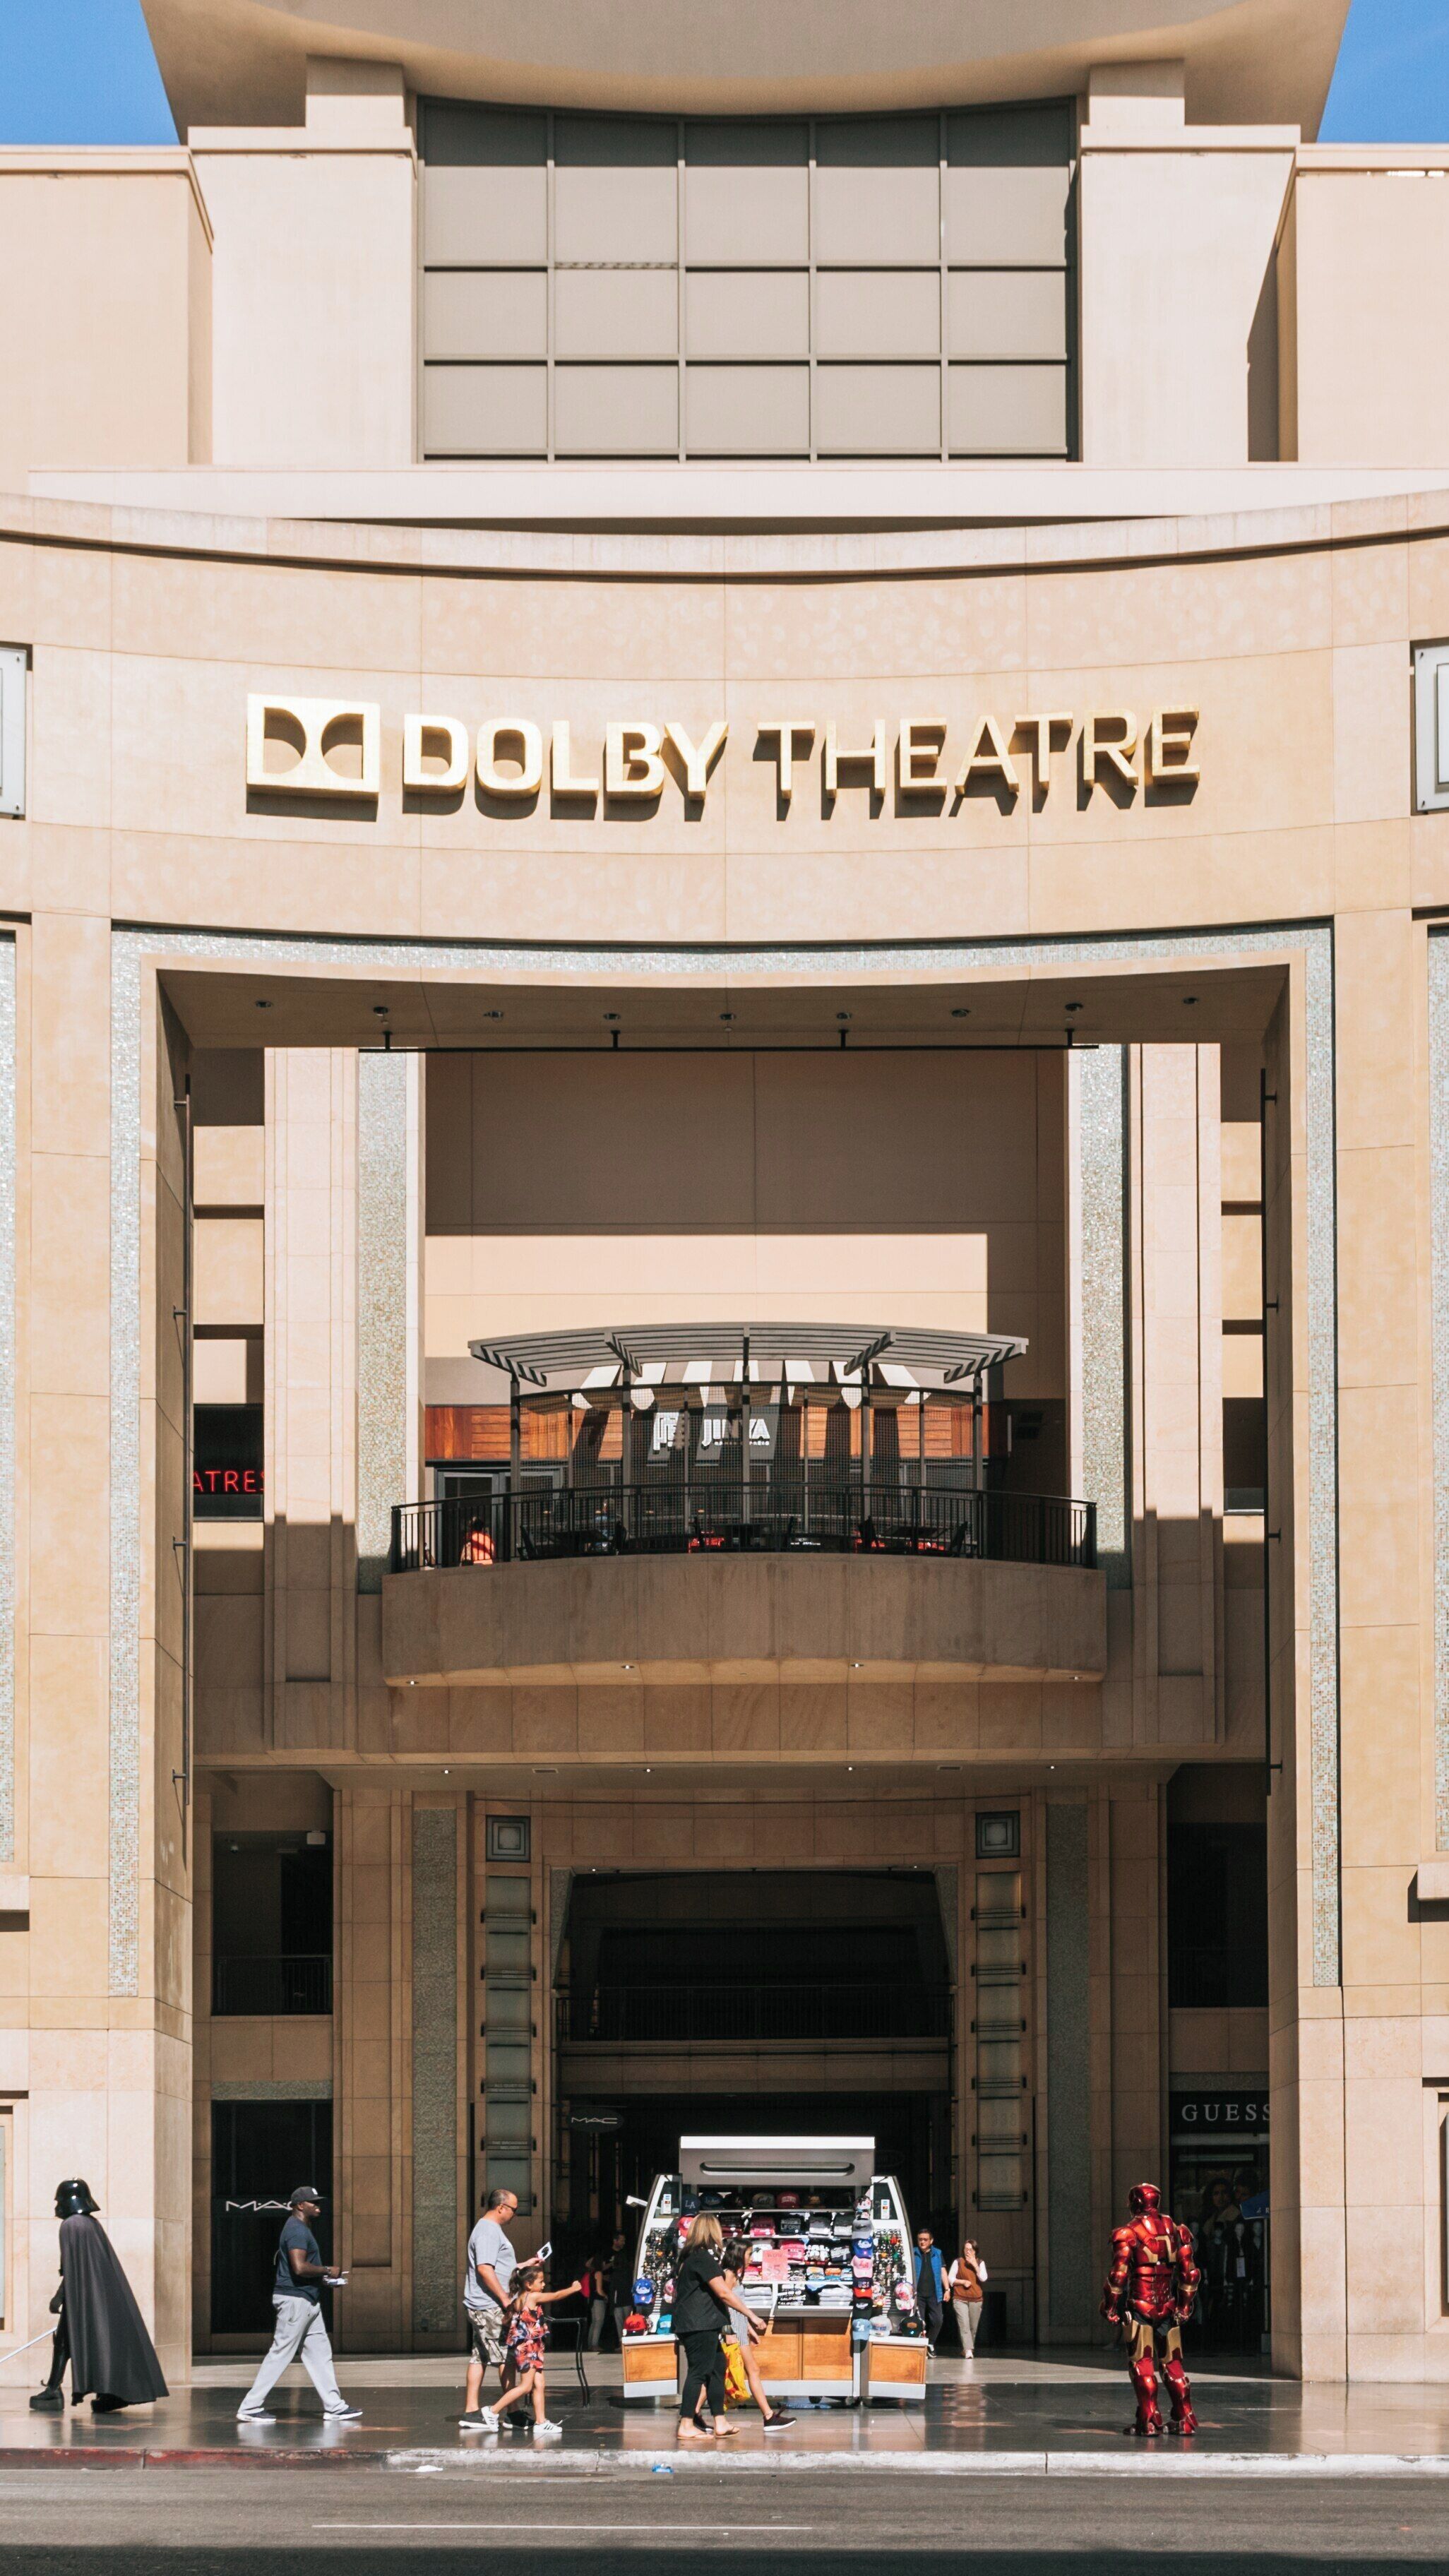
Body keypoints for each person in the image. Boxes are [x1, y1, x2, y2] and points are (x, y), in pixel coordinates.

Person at [30, 2178, 168, 2415]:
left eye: (59, 2201)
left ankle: (56, 2390)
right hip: (91, 2297)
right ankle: (74, 2389)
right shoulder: (89, 2225)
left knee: (65, 2339)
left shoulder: (72, 2226)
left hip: (83, 2296)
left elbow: (74, 2269)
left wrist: (59, 2297)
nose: (57, 2206)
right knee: (67, 2339)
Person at [236, 2185, 358, 2423]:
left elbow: (301, 2271)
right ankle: (250, 2407)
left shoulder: (300, 2229)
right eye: (314, 2203)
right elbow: (300, 2267)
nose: (318, 2206)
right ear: (300, 2206)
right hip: (295, 2302)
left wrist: (324, 2279)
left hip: (308, 2300)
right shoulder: (296, 2230)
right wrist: (326, 2269)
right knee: (281, 2352)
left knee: (320, 2355)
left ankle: (335, 2407)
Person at [1100, 2181, 1200, 2438]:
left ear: (1134, 2203)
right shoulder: (1177, 2231)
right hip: (1168, 2306)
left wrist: (1109, 2306)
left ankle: (1149, 2420)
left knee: (1142, 2365)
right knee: (1173, 2365)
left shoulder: (1128, 2233)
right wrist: (1185, 2306)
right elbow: (1190, 2273)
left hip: (1141, 2307)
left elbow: (1118, 2276)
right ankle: (1184, 2418)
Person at [672, 2213, 766, 2444]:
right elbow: (724, 2292)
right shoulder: (702, 2258)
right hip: (699, 2324)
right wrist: (751, 2316)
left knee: (717, 2368)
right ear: (711, 2232)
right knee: (698, 2372)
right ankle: (686, 2424)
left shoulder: (693, 2257)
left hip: (703, 2322)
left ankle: (720, 2422)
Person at [477, 2258, 582, 2439]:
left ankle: (541, 2422)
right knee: (526, 2386)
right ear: (528, 2284)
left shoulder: (518, 2299)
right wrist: (573, 2289)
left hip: (531, 2347)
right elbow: (556, 2296)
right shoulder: (531, 2297)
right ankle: (492, 2411)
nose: (543, 2284)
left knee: (539, 2384)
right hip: (529, 2348)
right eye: (540, 2282)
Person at [708, 2234, 793, 2430]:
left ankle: (693, 2413)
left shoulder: (735, 2274)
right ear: (739, 2254)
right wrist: (729, 2331)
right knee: (737, 2371)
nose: (751, 2257)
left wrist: (747, 2329)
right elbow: (723, 2305)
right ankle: (768, 2416)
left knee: (723, 2372)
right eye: (748, 2254)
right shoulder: (728, 2275)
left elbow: (736, 2306)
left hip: (737, 2325)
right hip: (731, 2327)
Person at [460, 2183, 518, 2426]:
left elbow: (495, 2266)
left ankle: (472, 2410)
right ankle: (509, 2411)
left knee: (480, 2356)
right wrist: (505, 2300)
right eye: (514, 2209)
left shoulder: (489, 2230)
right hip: (489, 2305)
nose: (515, 2213)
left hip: (484, 2304)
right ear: (501, 2207)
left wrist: (522, 2266)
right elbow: (485, 2268)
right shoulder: (488, 2231)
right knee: (506, 2356)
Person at [945, 2237, 988, 2358]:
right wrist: (963, 2282)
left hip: (976, 2299)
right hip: (960, 2299)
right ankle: (969, 2350)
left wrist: (975, 2265)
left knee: (973, 2327)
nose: (967, 2252)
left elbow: (983, 2278)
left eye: (970, 2249)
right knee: (964, 2325)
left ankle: (967, 2348)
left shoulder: (980, 2263)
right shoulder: (958, 2262)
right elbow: (951, 2278)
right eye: (966, 2249)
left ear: (975, 2251)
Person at [912, 2228, 946, 2350]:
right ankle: (921, 2345)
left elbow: (943, 2271)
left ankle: (930, 2343)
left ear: (931, 2241)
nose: (922, 2242)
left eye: (925, 2240)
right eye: (920, 2239)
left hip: (934, 2293)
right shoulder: (913, 2253)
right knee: (919, 2322)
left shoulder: (938, 2253)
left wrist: (947, 2289)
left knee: (938, 2320)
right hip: (918, 2294)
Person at [606, 2227, 634, 2349]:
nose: (623, 2242)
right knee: (628, 2321)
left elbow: (613, 2289)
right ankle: (628, 2341)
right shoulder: (629, 2272)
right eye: (622, 2240)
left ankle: (621, 2342)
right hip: (627, 2299)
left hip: (618, 2301)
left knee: (619, 2323)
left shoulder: (615, 2274)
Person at [583, 2251, 609, 2352]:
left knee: (594, 2322)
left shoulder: (591, 2272)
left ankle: (590, 2344)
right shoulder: (599, 2273)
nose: (604, 2264)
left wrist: (595, 2257)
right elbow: (599, 2290)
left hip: (592, 2299)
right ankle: (594, 2344)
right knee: (599, 2322)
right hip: (598, 2300)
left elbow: (587, 2264)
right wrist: (605, 2296)